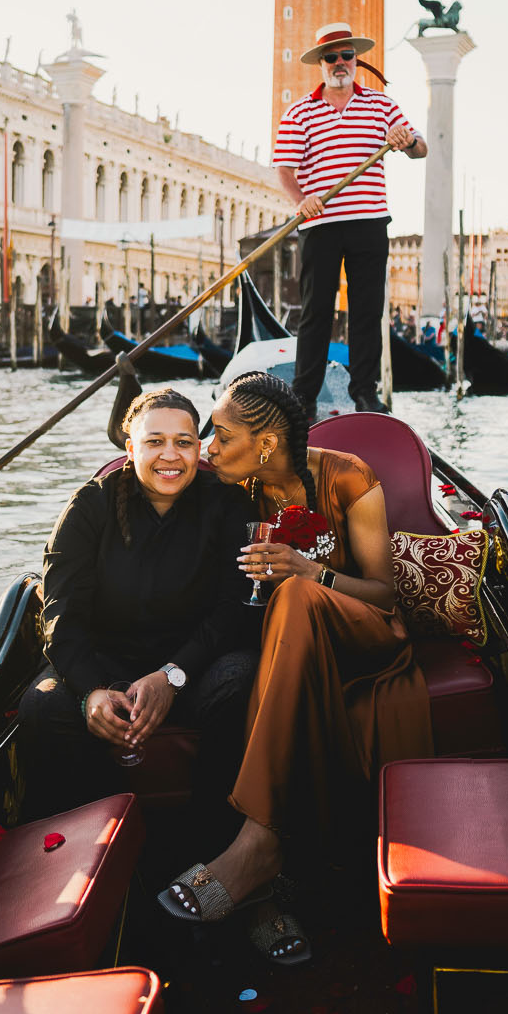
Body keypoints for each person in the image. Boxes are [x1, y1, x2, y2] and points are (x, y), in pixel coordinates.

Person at [158, 372, 429, 964]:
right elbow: (154, 467)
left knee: (299, 595)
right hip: (291, 639)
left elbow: (384, 596)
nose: (209, 448)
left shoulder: (347, 475)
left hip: (367, 635)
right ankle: (263, 843)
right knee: (287, 605)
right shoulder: (237, 487)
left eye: (221, 436)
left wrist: (310, 572)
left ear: (266, 443)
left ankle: (258, 842)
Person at [18, 387, 256, 822]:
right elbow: (60, 613)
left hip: (194, 670)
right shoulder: (90, 506)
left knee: (240, 679)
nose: (171, 454)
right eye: (155, 441)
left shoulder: (228, 504)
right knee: (42, 705)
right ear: (131, 448)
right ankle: (103, 835)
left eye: (183, 442)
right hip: (104, 667)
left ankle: (211, 833)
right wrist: (91, 690)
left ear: (198, 448)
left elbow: (232, 609)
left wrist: (172, 676)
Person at [274, 21, 428, 414]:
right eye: (332, 57)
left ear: (356, 60)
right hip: (319, 224)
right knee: (316, 313)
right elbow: (285, 171)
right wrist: (301, 199)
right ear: (321, 63)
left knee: (366, 311)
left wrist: (406, 141)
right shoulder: (299, 113)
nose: (340, 62)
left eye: (347, 55)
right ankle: (304, 396)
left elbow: (420, 149)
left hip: (369, 221)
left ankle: (365, 393)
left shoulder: (380, 105)